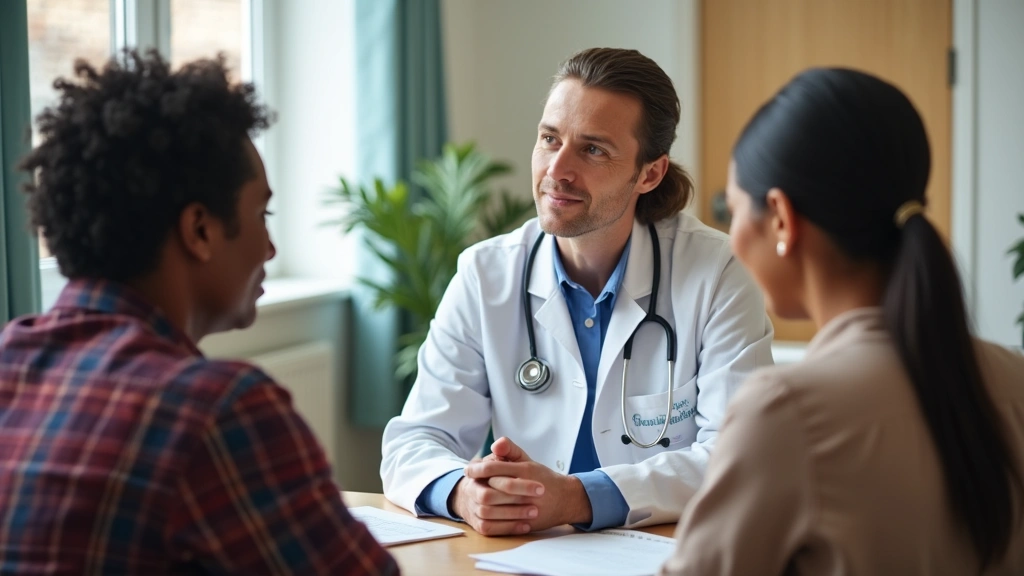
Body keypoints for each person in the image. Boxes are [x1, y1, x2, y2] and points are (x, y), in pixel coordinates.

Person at [0, 50, 398, 575]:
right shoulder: (217, 410)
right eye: (263, 213)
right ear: (200, 231)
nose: (271, 249)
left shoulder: (10, 360)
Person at [381, 47, 774, 536]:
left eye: (592, 149)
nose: (556, 170)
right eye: (550, 139)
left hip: (667, 553)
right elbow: (415, 439)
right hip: (525, 554)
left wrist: (576, 498)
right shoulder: (486, 274)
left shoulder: (715, 271)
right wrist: (462, 493)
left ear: (649, 173)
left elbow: (740, 458)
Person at [661, 68, 1024, 575]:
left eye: (734, 209)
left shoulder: (785, 413)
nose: (732, 235)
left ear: (782, 220)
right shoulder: (1013, 380)